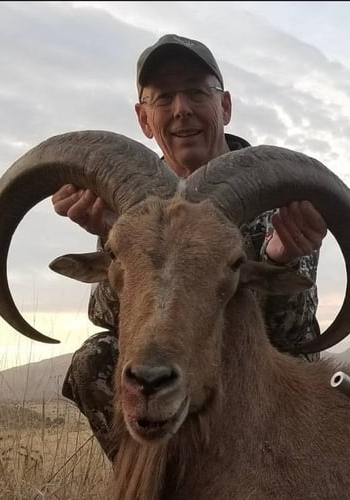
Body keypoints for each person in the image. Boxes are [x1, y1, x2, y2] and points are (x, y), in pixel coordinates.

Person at [51, 34, 327, 460]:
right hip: (167, 359)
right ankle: (153, 480)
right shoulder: (132, 202)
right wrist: (114, 241)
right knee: (96, 359)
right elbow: (104, 315)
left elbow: (295, 333)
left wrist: (277, 258)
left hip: (262, 363)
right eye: (163, 98)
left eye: (197, 92)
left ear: (225, 106)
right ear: (144, 119)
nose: (181, 109)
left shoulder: (274, 189)